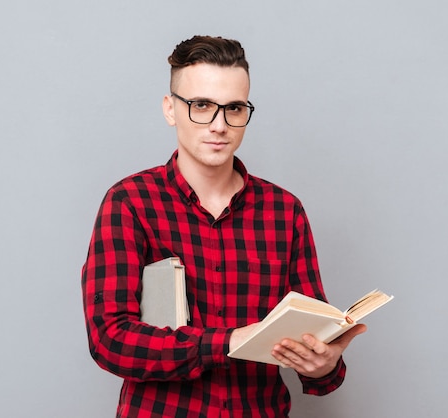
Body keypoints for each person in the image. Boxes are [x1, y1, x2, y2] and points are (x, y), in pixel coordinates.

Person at [81, 35, 367, 417]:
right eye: (201, 105)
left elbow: (316, 344)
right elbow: (109, 339)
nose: (219, 125)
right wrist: (228, 341)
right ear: (170, 109)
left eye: (234, 108)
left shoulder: (285, 211)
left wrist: (324, 364)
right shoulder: (129, 202)